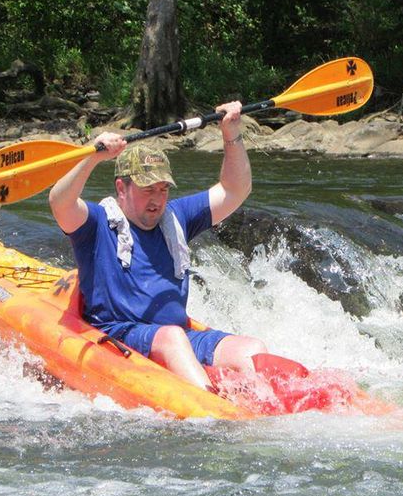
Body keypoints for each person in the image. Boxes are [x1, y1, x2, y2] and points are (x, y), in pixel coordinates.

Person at [49, 101, 267, 391]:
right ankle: (213, 411)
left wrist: (231, 133)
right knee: (171, 338)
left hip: (179, 335)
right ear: (121, 188)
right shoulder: (96, 224)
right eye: (147, 189)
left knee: (252, 348)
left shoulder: (176, 217)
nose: (157, 199)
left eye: (163, 189)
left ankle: (270, 404)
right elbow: (59, 202)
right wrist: (92, 157)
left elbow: (234, 190)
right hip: (117, 335)